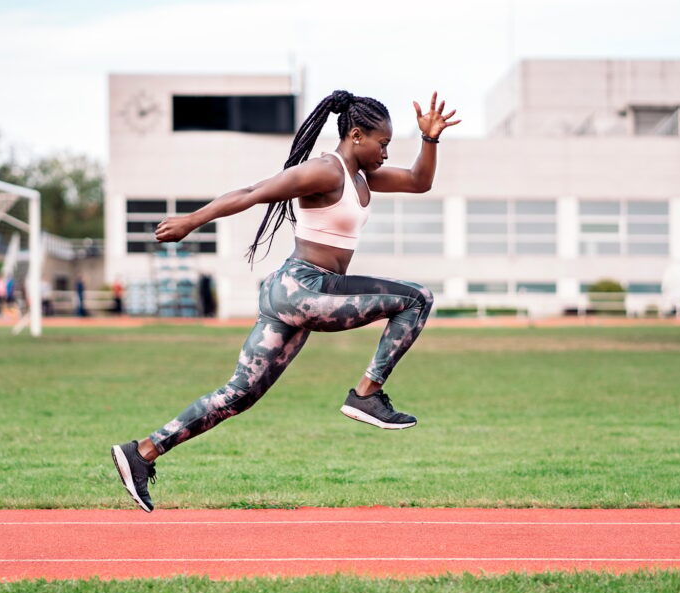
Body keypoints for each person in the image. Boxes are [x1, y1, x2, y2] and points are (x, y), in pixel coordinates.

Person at [111, 90, 460, 512]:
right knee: (417, 298)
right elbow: (255, 191)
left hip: (294, 295)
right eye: (382, 143)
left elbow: (420, 182)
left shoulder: (363, 177)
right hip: (305, 288)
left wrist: (431, 140)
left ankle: (142, 452)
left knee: (239, 395)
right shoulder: (325, 171)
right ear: (355, 135)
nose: (386, 152)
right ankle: (366, 394)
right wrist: (191, 221)